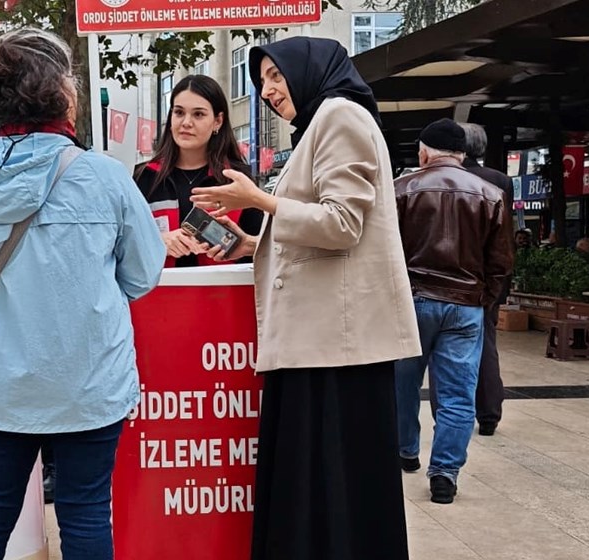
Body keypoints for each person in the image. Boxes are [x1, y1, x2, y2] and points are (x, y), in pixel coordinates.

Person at [0, 28, 165, 560]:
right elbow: (144, 276)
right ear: (63, 95)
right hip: (91, 378)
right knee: (84, 509)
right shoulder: (106, 178)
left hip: (3, 383)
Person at [189, 37, 421, 559]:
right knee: (320, 484)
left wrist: (257, 199)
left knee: (332, 483)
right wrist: (252, 241)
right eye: (262, 80)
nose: (268, 90)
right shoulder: (323, 122)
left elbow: (342, 223)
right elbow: (318, 226)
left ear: (310, 70)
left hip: (335, 348)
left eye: (276, 76)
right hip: (319, 345)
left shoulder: (340, 115)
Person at [393, 118, 512, 504]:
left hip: (411, 301)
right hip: (465, 305)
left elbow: (385, 255)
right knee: (458, 394)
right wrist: (484, 298)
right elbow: (501, 262)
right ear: (462, 154)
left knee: (402, 384)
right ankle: (445, 472)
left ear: (424, 152)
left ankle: (406, 451)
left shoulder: (401, 189)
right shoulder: (491, 193)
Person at [134, 74, 262, 267]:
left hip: (224, 293)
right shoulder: (145, 177)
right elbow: (123, 244)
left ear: (218, 121)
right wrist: (159, 241)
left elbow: (261, 249)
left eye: (198, 114)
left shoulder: (236, 179)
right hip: (160, 294)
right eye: (178, 112)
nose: (186, 122)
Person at [459, 122, 515, 437]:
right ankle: (490, 414)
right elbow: (504, 233)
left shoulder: (449, 178)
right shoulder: (500, 180)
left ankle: (455, 414)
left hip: (455, 275)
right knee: (486, 342)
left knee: (449, 350)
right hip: (491, 276)